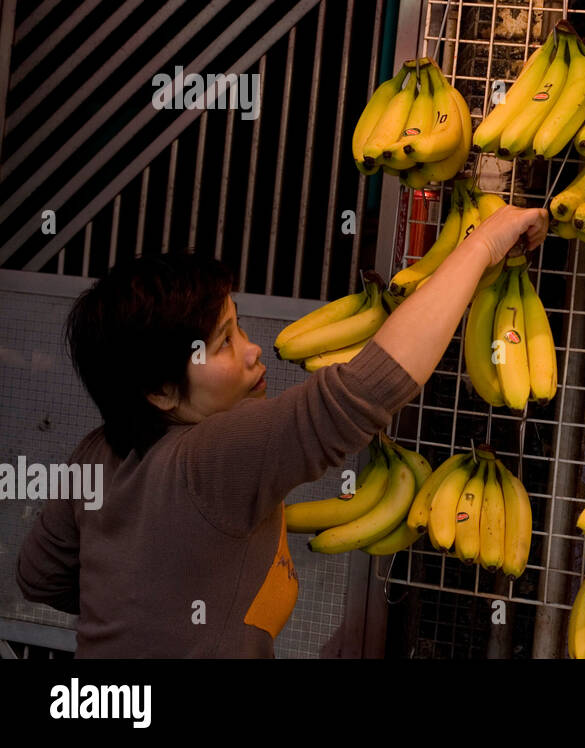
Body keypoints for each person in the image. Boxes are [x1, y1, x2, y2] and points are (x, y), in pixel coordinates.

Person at [16, 203, 550, 657]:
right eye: (222, 342)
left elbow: (39, 576)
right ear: (160, 392)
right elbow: (367, 390)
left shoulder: (97, 453)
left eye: (238, 324)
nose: (252, 349)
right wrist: (481, 246)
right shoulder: (208, 459)